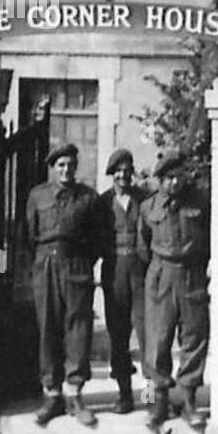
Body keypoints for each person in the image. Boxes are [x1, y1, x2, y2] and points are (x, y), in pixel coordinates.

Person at [26, 143, 102, 427]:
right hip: (45, 266)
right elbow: (28, 235)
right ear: (52, 168)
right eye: (61, 165)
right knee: (48, 327)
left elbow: (97, 239)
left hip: (77, 266)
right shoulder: (37, 195)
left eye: (70, 165)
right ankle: (52, 393)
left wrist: (81, 262)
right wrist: (0, 268)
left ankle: (75, 393)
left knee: (78, 329)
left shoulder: (88, 198)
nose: (66, 170)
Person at [138, 154, 211, 430]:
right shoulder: (148, 207)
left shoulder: (201, 202)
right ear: (160, 180)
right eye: (169, 177)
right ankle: (158, 401)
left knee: (194, 336)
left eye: (178, 175)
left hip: (192, 274)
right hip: (161, 274)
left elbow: (210, 239)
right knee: (158, 339)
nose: (175, 181)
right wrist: (159, 271)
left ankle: (189, 400)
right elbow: (142, 246)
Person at [95, 148, 148, 414]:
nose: (123, 176)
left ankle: (151, 397)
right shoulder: (103, 203)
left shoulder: (145, 200)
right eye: (118, 172)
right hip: (114, 270)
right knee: (118, 334)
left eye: (127, 171)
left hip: (141, 271)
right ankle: (124, 394)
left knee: (148, 334)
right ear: (111, 175)